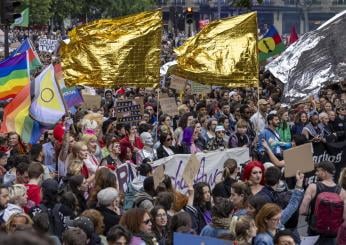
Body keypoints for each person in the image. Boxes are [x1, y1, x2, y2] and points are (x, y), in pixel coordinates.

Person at [300, 161, 346, 245]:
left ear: (324, 172)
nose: (316, 173)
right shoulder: (342, 192)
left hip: (314, 230)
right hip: (332, 232)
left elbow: (303, 210)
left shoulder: (313, 187)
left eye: (318, 171)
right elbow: (344, 217)